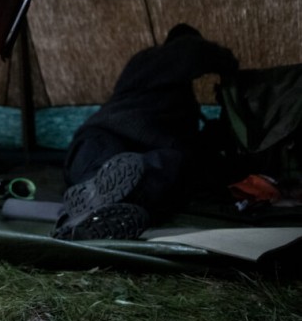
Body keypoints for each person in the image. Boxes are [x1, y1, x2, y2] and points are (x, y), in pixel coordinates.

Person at [53, 23, 239, 240]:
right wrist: (229, 64)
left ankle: (76, 220)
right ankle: (104, 202)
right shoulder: (151, 59)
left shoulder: (178, 98)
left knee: (103, 174)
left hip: (96, 144)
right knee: (158, 167)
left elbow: (191, 147)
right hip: (108, 134)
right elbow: (192, 50)